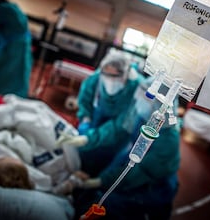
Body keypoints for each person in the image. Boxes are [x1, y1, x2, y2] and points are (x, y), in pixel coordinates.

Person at [59, 76, 182, 219]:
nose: (140, 99)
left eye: (146, 96)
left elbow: (138, 172)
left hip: (150, 189)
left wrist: (101, 181)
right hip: (130, 164)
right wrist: (87, 138)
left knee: (106, 205)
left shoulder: (168, 142)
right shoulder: (143, 115)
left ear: (160, 103)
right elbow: (117, 129)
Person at [0, 93, 83, 196]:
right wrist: (72, 181)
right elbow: (52, 189)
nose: (14, 174)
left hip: (4, 139)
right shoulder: (31, 177)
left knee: (27, 115)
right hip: (25, 146)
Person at [71, 50, 144, 176]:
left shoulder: (137, 89)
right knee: (79, 161)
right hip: (94, 123)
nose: (109, 81)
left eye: (115, 77)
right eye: (106, 76)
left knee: (99, 168)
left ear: (126, 74)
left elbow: (121, 124)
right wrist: (85, 121)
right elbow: (85, 100)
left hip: (116, 137)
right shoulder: (97, 77)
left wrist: (90, 138)